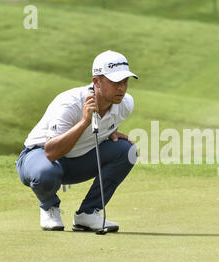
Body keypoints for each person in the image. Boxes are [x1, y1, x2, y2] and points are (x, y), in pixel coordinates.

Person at [16, 50, 138, 232]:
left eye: (125, 82)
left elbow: (105, 124)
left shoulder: (125, 104)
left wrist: (110, 131)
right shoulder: (70, 103)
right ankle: (49, 207)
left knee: (126, 150)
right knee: (46, 172)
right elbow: (50, 152)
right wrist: (84, 122)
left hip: (74, 161)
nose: (121, 88)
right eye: (115, 82)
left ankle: (88, 214)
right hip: (38, 158)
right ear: (97, 81)